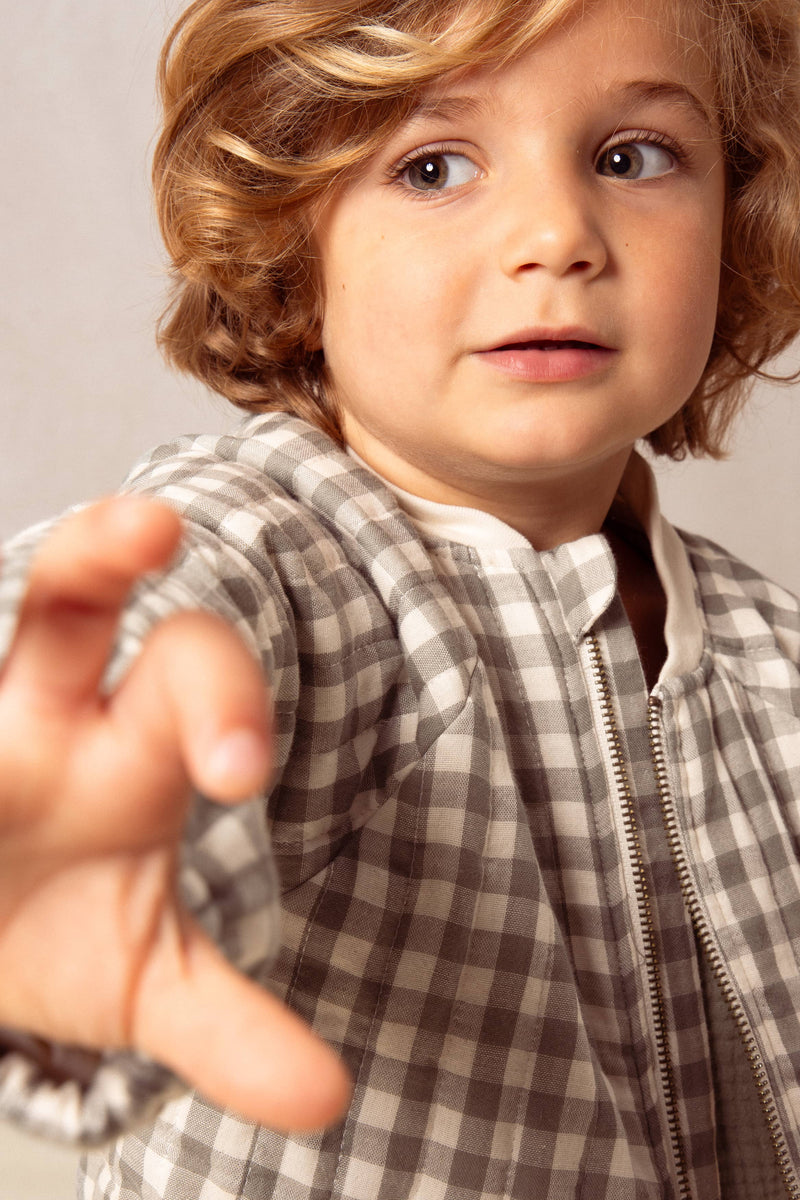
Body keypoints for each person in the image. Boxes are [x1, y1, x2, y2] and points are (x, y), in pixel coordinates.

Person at [1, 0, 799, 1195]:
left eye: (631, 157)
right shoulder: (292, 554)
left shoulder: (772, 658)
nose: (555, 234)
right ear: (292, 241)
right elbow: (146, 606)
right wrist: (72, 794)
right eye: (432, 167)